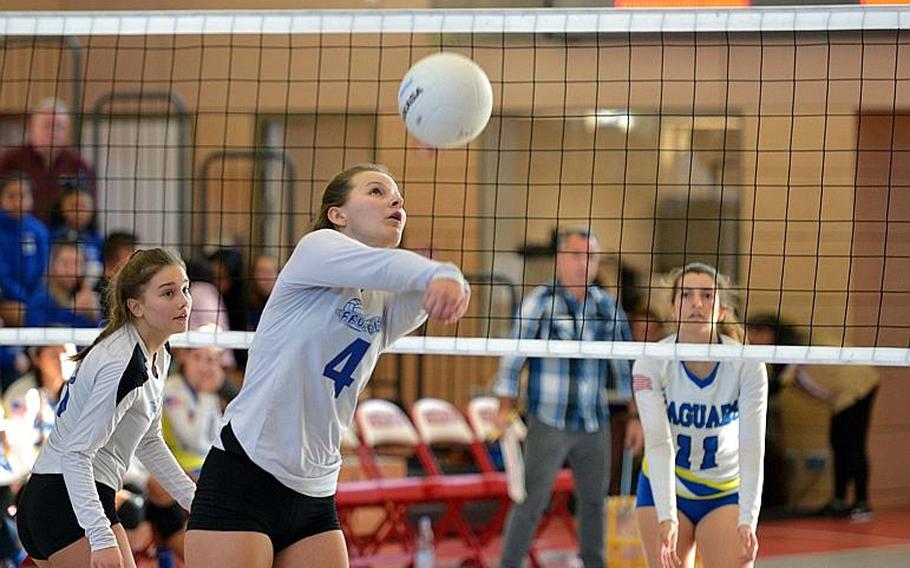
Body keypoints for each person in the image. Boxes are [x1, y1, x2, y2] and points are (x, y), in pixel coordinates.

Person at [184, 163, 470, 568]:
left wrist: (452, 282)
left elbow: (423, 286)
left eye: (397, 195)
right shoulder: (315, 248)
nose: (396, 201)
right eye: (376, 191)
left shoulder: (381, 299)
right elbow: (410, 271)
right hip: (247, 472)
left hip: (316, 489)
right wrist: (444, 273)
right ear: (338, 215)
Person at [15, 248, 197, 568]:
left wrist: (195, 501)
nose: (183, 301)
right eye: (168, 293)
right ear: (135, 306)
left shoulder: (158, 352)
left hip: (62, 497)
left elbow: (148, 440)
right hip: (67, 502)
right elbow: (76, 453)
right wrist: (100, 537)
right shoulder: (123, 363)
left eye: (185, 288)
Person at [493, 227, 641, 568]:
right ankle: (509, 564)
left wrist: (635, 416)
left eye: (590, 256)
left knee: (593, 502)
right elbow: (513, 357)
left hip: (594, 420)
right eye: (575, 255)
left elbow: (626, 366)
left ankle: (594, 563)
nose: (582, 263)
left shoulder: (607, 306)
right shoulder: (539, 302)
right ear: (560, 259)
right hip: (549, 418)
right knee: (531, 500)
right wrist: (504, 406)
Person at [632, 263, 768, 568]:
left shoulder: (746, 364)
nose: (696, 303)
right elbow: (657, 443)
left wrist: (749, 516)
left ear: (721, 310)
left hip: (724, 489)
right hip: (666, 486)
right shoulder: (651, 362)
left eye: (707, 295)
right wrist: (667, 517)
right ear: (672, 307)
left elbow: (752, 447)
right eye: (686, 295)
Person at [781, 362, 879, 521]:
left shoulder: (792, 367)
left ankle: (862, 502)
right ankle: (839, 500)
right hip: (842, 396)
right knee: (838, 443)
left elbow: (775, 384)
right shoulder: (796, 371)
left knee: (852, 445)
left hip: (858, 386)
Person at [0, 173, 50, 328]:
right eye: (11, 196)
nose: (17, 202)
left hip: (35, 297)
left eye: (23, 196)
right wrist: (25, 299)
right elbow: (3, 277)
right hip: (6, 298)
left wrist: (35, 299)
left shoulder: (39, 230)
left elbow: (44, 270)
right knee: (23, 314)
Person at [25, 239, 102, 329]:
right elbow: (40, 337)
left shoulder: (84, 296)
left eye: (77, 263)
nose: (71, 270)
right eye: (65, 263)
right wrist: (72, 311)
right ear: (53, 264)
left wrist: (94, 317)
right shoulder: (40, 299)